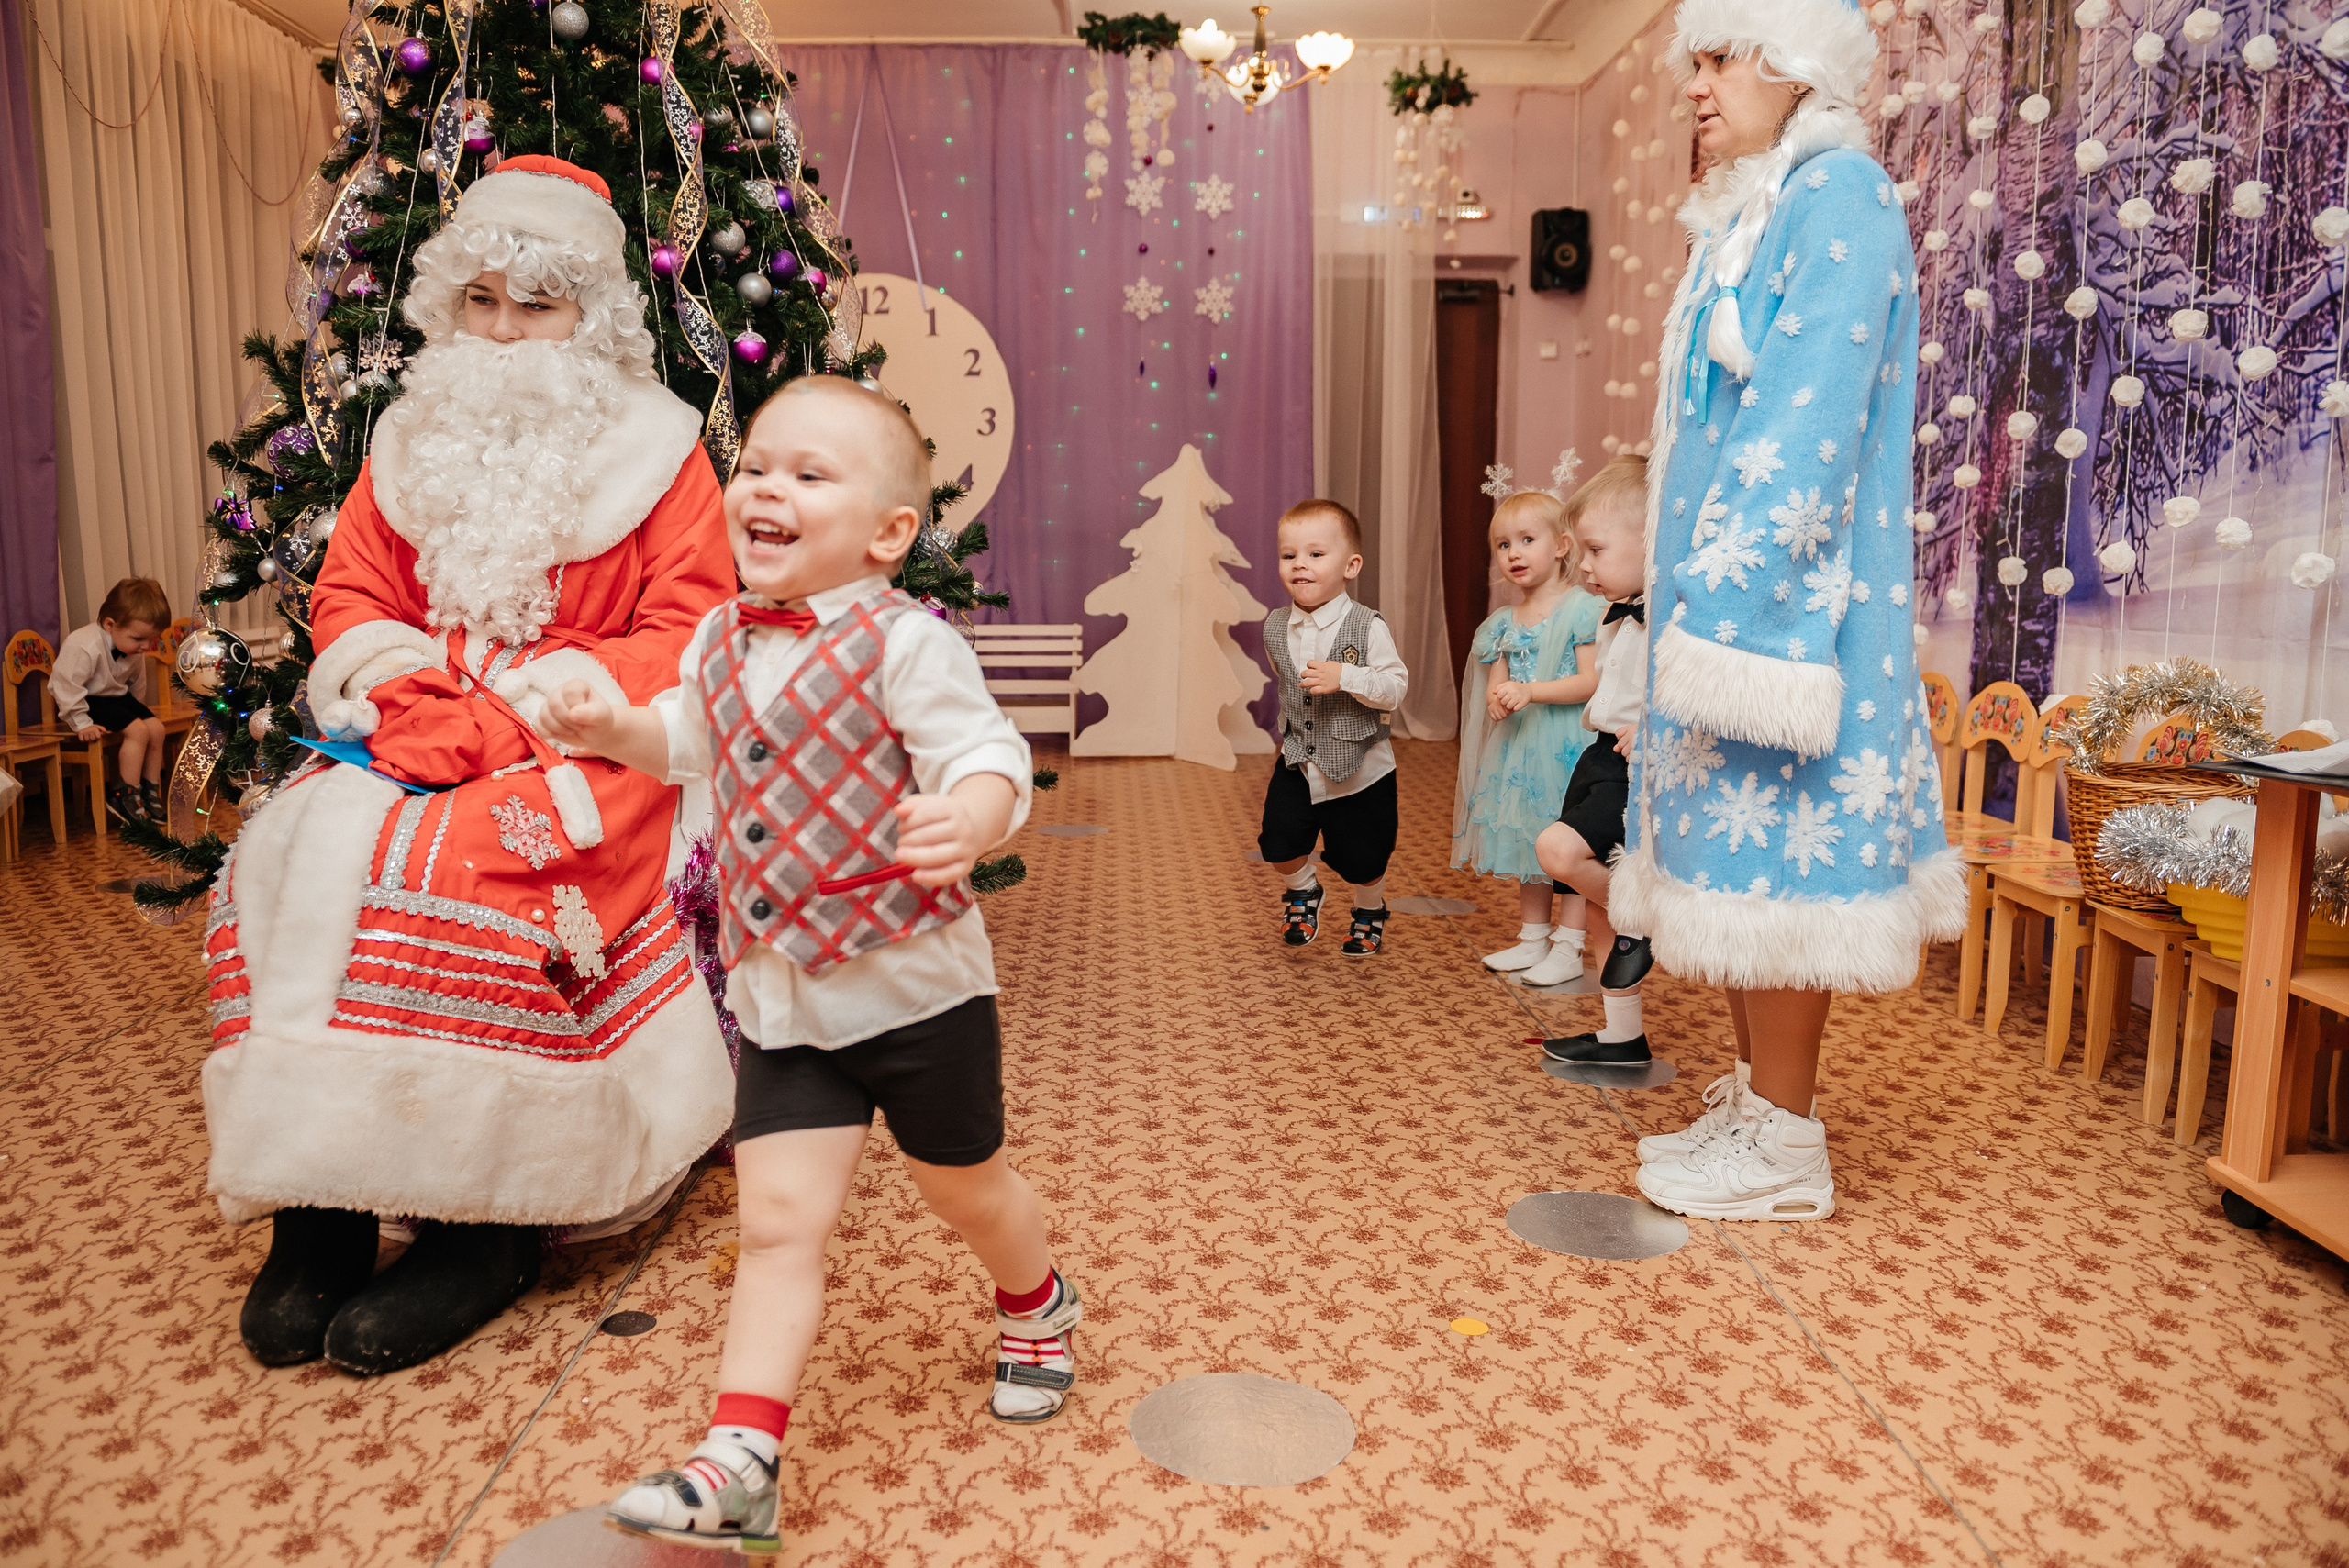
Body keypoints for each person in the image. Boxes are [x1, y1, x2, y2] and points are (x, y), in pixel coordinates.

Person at [206, 154, 738, 1374]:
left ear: (589, 318)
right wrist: (405, 688)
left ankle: (478, 1220)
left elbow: (685, 629)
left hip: (586, 740)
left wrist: (541, 709)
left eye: (536, 306)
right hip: (415, 720)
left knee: (461, 868)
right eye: (483, 302)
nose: (504, 333)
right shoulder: (409, 436)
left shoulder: (660, 451)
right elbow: (350, 595)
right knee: (289, 847)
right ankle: (322, 1204)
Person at [540, 378, 1066, 1552]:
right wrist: (608, 727)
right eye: (758, 466)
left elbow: (985, 752)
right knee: (779, 1222)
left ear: (887, 533)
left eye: (807, 475)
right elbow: (685, 736)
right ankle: (740, 1458)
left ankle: (1035, 1299)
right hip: (781, 994)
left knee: (964, 1188)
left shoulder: (908, 643)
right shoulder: (721, 636)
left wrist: (972, 816)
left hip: (916, 992)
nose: (767, 489)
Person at [1609, 0, 1965, 1221]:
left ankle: (1788, 1144)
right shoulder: (1753, 210)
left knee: (1784, 879)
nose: (1695, 88)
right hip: (1729, 607)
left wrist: (1724, 593)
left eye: (1717, 59)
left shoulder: (1842, 199)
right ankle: (1764, 1106)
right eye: (1691, 64)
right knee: (1740, 875)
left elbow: (1803, 426)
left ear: (1794, 62)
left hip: (1787, 615)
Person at [1453, 481, 1605, 987]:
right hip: (1521, 747)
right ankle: (1533, 936)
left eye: (1526, 540)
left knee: (1570, 844)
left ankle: (1570, 944)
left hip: (1567, 745)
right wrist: (1500, 698)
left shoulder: (1583, 609)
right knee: (1526, 839)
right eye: (1503, 545)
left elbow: (1590, 682)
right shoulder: (1502, 621)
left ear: (1562, 546)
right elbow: (1500, 682)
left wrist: (1530, 691)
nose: (1514, 554)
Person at [1532, 457, 1656, 1062]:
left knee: (1558, 850)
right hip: (1600, 757)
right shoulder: (1617, 613)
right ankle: (1621, 1035)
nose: (1583, 564)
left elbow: (1686, 692)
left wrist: (1653, 726)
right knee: (1601, 904)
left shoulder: (1669, 618)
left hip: (1637, 766)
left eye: (1595, 549)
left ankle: (1647, 922)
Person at [1259, 499, 1409, 957]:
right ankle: (1303, 890)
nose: (1300, 564)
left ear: (1351, 565)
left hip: (1360, 767)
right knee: (1277, 843)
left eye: (1316, 554)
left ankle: (1370, 908)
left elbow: (1394, 687)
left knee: (1363, 859)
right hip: (1299, 758)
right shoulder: (1275, 625)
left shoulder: (1367, 626)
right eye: (1289, 555)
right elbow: (1285, 678)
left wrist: (1345, 677)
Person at [50, 576, 171, 824]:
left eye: (152, 640)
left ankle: (149, 789)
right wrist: (81, 722)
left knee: (156, 729)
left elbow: (137, 683)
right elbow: (64, 685)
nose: (146, 647)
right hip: (89, 700)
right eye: (139, 639)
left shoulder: (131, 644)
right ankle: (124, 793)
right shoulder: (84, 644)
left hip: (117, 699)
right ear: (110, 624)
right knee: (138, 731)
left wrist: (137, 711)